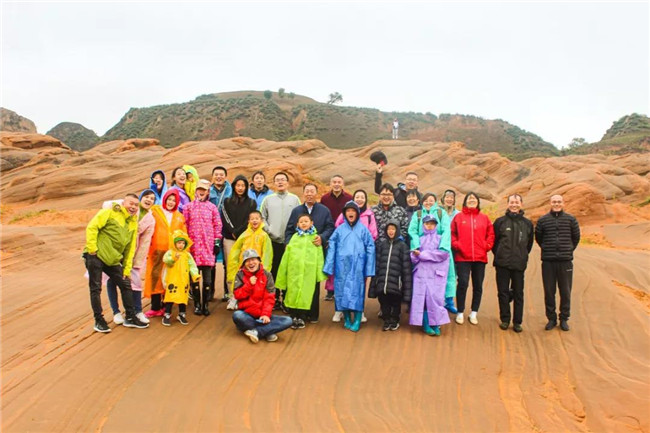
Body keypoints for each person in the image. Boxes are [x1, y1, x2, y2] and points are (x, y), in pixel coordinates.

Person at [83, 193, 149, 332]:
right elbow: (92, 227)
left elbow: (130, 248)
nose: (133, 207)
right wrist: (92, 248)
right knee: (95, 288)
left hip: (112, 259)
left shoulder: (132, 223)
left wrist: (126, 269)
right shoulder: (110, 212)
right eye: (131, 203)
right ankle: (99, 321)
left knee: (126, 284)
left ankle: (130, 317)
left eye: (136, 205)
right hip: (96, 255)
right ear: (124, 203)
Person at [283, 183, 334, 321]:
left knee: (313, 284)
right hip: (297, 255)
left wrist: (322, 237)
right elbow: (289, 230)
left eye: (312, 191)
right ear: (303, 193)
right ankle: (296, 312)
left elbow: (330, 227)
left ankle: (312, 314)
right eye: (307, 191)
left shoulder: (324, 210)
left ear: (317, 193)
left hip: (314, 252)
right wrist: (288, 243)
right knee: (296, 282)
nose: (309, 194)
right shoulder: (296, 211)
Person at [323, 201, 375, 332]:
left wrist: (369, 268)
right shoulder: (339, 230)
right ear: (344, 213)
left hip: (358, 266)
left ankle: (357, 319)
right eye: (348, 211)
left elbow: (370, 247)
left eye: (353, 211)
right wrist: (329, 266)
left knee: (357, 292)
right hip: (342, 266)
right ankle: (346, 318)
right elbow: (332, 246)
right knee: (341, 292)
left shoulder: (363, 230)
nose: (350, 213)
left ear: (357, 213)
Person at [106, 189, 156, 325]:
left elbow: (145, 242)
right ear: (141, 198)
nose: (149, 200)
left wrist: (137, 261)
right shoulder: (131, 208)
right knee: (112, 279)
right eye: (146, 197)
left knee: (136, 282)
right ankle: (116, 312)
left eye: (152, 198)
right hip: (116, 248)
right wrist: (121, 203)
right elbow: (107, 205)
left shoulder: (151, 219)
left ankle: (138, 311)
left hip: (133, 252)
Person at [535, 194, 580, 332]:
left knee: (565, 291)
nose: (556, 204)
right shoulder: (543, 220)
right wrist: (548, 249)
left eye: (559, 202)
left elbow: (576, 237)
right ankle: (551, 319)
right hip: (548, 262)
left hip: (565, 262)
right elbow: (539, 238)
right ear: (550, 203)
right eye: (554, 201)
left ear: (563, 203)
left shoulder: (571, 220)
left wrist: (568, 250)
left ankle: (564, 319)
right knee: (549, 291)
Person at [331, 189, 378, 320]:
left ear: (366, 199)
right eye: (357, 197)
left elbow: (373, 235)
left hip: (359, 257)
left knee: (359, 285)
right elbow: (337, 230)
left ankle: (359, 310)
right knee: (341, 283)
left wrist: (363, 251)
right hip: (344, 257)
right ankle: (340, 310)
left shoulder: (369, 215)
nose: (360, 199)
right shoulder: (344, 214)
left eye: (362, 197)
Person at [408, 193, 457, 313]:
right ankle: (423, 307)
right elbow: (412, 231)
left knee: (444, 276)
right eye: (425, 200)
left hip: (439, 248)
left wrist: (443, 247)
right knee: (423, 278)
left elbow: (446, 230)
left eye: (431, 200)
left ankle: (448, 302)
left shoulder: (441, 213)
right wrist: (417, 246)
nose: (428, 203)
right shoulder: (418, 214)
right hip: (423, 248)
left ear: (435, 201)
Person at [276, 214, 327, 329]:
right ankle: (293, 316)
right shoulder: (294, 237)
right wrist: (284, 269)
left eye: (306, 221)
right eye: (301, 222)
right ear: (297, 224)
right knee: (293, 292)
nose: (304, 223)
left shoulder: (315, 238)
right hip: (294, 271)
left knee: (306, 294)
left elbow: (319, 256)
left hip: (309, 272)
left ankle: (302, 317)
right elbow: (287, 255)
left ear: (311, 223)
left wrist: (319, 273)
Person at [450, 192, 494, 326]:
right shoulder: (458, 217)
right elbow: (452, 234)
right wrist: (457, 245)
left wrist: (486, 246)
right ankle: (460, 312)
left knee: (478, 285)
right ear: (465, 202)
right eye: (469, 199)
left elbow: (491, 234)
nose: (471, 200)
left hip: (480, 257)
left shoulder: (484, 218)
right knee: (462, 283)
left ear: (478, 202)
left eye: (474, 199)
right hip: (462, 256)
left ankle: (474, 312)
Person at [231, 249, 293, 343]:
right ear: (244, 264)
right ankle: (268, 331)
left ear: (259, 261)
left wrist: (265, 314)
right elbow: (238, 295)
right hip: (247, 314)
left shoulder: (267, 275)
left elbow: (269, 297)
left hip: (262, 315)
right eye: (247, 261)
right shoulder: (240, 275)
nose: (251, 263)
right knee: (237, 315)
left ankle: (256, 331)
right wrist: (249, 285)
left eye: (253, 259)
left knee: (288, 320)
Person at [492, 194, 534, 333]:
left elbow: (529, 244)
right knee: (503, 292)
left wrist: (522, 255)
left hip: (519, 264)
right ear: (508, 204)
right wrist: (500, 254)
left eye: (516, 202)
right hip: (502, 263)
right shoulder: (500, 222)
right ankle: (505, 319)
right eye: (511, 202)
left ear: (521, 204)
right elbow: (494, 242)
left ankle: (517, 322)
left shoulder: (527, 224)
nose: (514, 205)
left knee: (518, 293)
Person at [144, 189, 187, 318]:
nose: (171, 202)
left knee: (169, 278)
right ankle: (155, 307)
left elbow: (183, 234)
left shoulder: (179, 216)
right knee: (155, 277)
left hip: (172, 253)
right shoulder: (155, 211)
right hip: (157, 251)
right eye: (169, 199)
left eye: (174, 200)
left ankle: (165, 306)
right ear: (165, 199)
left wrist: (183, 252)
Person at [183, 179, 222, 316]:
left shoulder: (212, 207)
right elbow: (184, 225)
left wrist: (217, 242)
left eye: (204, 190)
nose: (201, 192)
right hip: (193, 248)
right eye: (199, 189)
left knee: (207, 279)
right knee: (194, 277)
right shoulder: (188, 207)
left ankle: (205, 304)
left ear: (208, 192)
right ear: (195, 190)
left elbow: (217, 225)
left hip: (207, 247)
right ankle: (197, 305)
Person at [260, 172, 301, 290]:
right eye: (277, 180)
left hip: (290, 241)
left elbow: (300, 217)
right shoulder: (268, 199)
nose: (280, 182)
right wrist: (269, 230)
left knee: (289, 269)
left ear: (287, 183)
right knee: (274, 268)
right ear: (274, 183)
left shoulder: (294, 199)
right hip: (273, 240)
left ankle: (287, 295)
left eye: (283, 179)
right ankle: (275, 295)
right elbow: (262, 217)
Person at [410, 215, 450, 336]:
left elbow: (443, 254)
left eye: (432, 224)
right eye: (427, 223)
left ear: (436, 225)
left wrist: (423, 255)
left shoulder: (440, 239)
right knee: (422, 300)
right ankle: (426, 323)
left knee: (435, 299)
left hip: (435, 275)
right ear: (423, 225)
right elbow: (413, 257)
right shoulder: (419, 239)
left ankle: (436, 323)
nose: (430, 226)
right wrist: (415, 255)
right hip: (421, 274)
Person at [368, 220, 412, 331]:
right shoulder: (382, 245)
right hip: (383, 282)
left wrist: (405, 285)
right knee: (384, 302)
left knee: (395, 303)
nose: (391, 231)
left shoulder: (403, 246)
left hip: (396, 282)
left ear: (397, 230)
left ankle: (394, 320)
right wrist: (375, 281)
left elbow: (406, 268)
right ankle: (387, 320)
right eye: (389, 229)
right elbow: (377, 264)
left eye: (393, 229)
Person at [222, 174, 257, 304]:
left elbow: (250, 219)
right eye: (238, 185)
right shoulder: (227, 201)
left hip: (245, 239)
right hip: (229, 239)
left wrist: (239, 233)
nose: (240, 188)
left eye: (243, 185)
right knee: (231, 266)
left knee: (247, 266)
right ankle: (232, 295)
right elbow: (225, 218)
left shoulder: (251, 203)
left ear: (246, 187)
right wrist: (233, 232)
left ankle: (245, 295)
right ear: (234, 187)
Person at [227, 210, 273, 297]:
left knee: (257, 289)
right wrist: (234, 267)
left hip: (258, 268)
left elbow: (267, 254)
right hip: (245, 267)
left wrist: (264, 269)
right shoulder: (244, 235)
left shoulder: (264, 236)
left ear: (261, 220)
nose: (254, 221)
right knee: (244, 287)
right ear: (248, 221)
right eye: (252, 219)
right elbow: (235, 252)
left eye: (257, 218)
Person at [161, 230, 200, 326]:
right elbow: (166, 260)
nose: (181, 245)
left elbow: (192, 265)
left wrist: (195, 275)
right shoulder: (170, 253)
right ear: (174, 243)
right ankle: (167, 314)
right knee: (170, 297)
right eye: (179, 243)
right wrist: (173, 258)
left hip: (183, 280)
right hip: (172, 279)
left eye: (183, 243)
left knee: (183, 297)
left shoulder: (187, 255)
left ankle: (182, 314)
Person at [208, 165, 232, 301]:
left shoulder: (231, 190)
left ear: (225, 176)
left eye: (221, 174)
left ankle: (227, 292)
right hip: (211, 230)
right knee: (211, 260)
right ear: (212, 176)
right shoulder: (208, 190)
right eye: (216, 174)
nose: (219, 177)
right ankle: (210, 291)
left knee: (228, 261)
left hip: (227, 229)